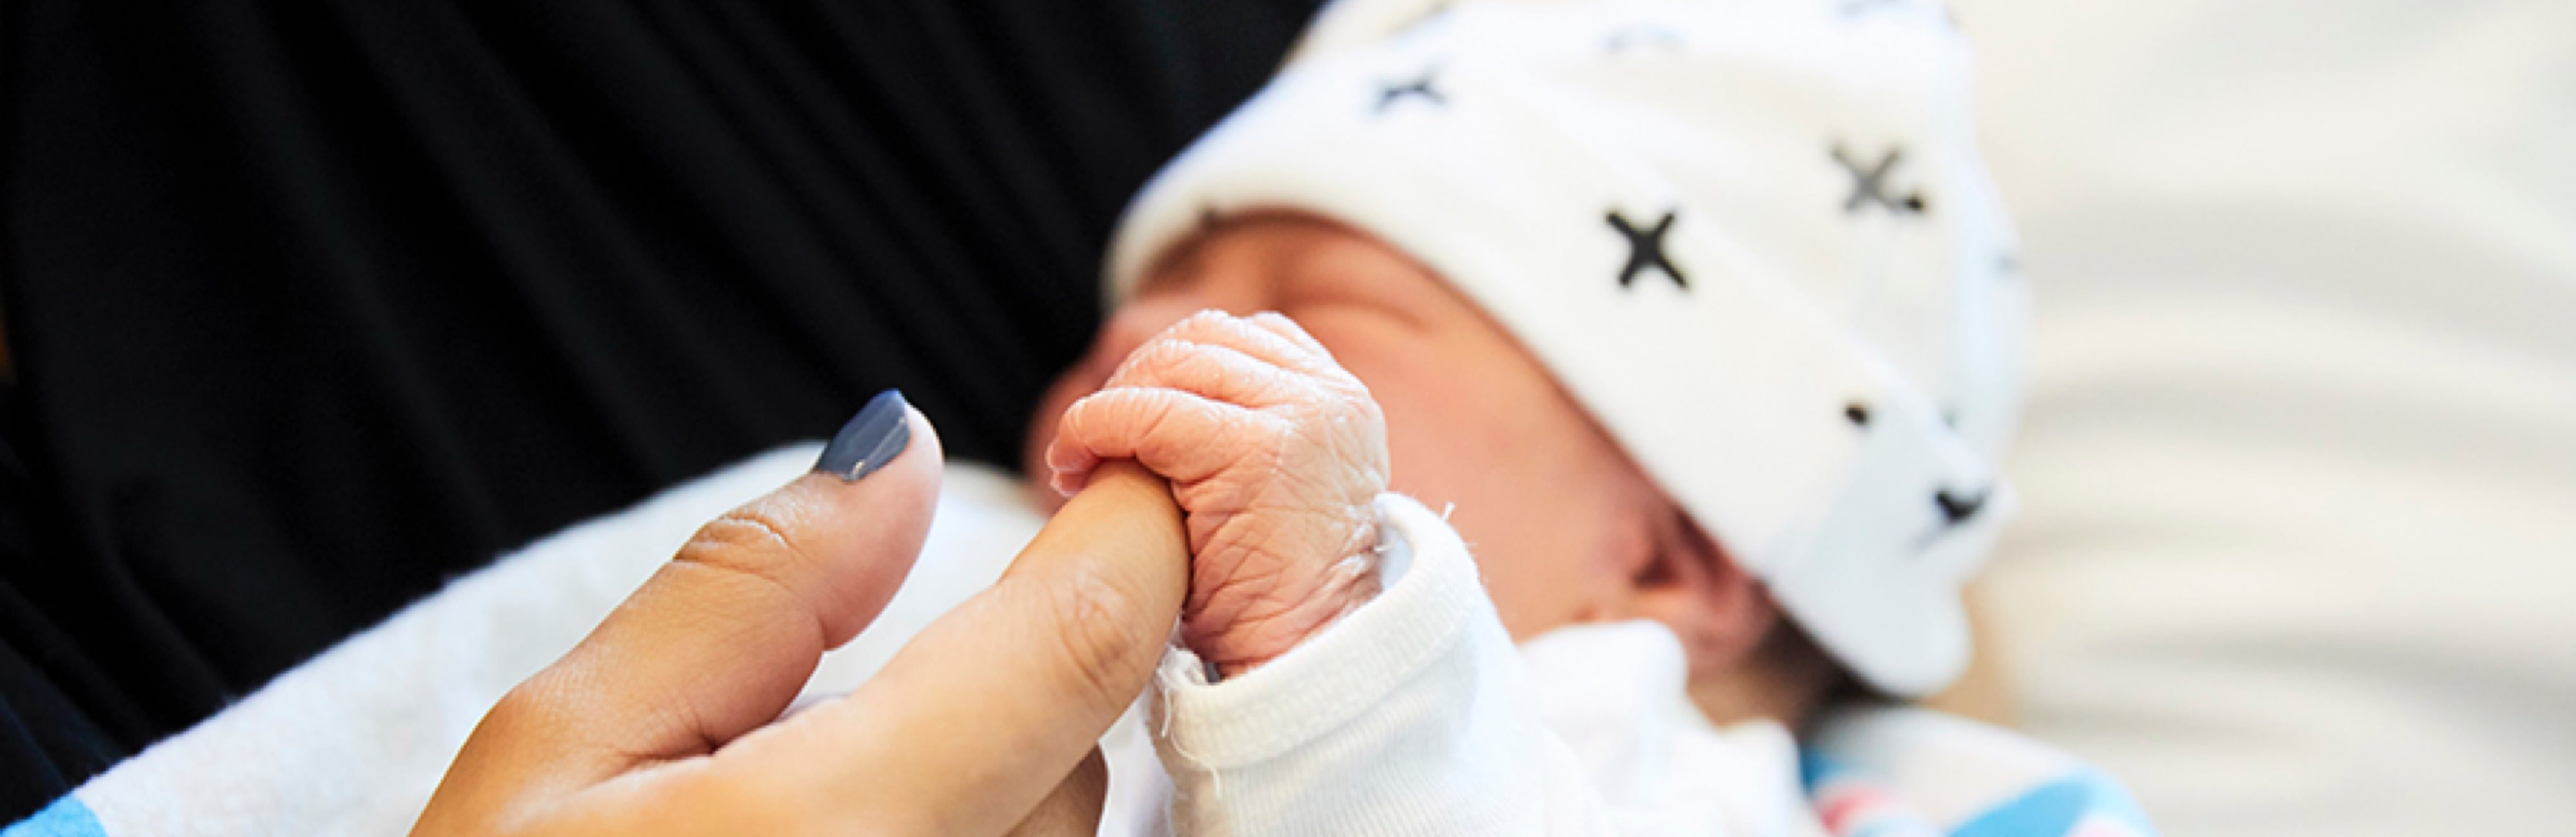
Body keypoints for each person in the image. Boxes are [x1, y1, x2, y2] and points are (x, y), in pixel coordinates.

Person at [12, 1, 2157, 834]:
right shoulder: (913, 542)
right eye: (1149, 301)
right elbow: (428, 708)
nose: (1107, 373)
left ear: (1681, 550)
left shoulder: (1817, 810)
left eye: (1317, 307)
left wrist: (1351, 661)